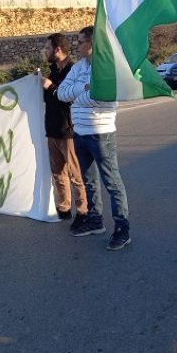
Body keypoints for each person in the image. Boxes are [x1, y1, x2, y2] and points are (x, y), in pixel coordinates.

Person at [57, 26, 131, 251]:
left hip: (101, 132)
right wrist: (84, 88)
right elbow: (61, 93)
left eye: (80, 42)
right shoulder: (78, 67)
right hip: (80, 131)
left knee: (111, 181)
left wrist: (78, 96)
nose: (77, 46)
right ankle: (95, 220)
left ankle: (122, 227)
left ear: (92, 44)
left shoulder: (106, 67)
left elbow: (103, 100)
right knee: (89, 180)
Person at [41, 33, 87, 223]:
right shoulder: (53, 71)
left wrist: (50, 87)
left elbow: (66, 97)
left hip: (67, 130)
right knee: (58, 173)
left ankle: (83, 210)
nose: (45, 51)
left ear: (57, 49)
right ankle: (64, 208)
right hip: (52, 129)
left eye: (48, 48)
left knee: (76, 174)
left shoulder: (72, 70)